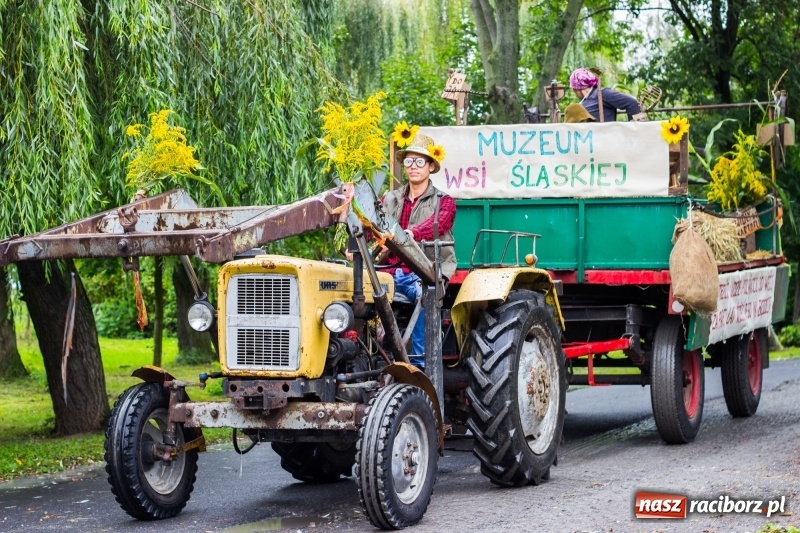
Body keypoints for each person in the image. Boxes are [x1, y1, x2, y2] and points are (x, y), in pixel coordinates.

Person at [382, 133, 456, 370]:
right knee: (361, 295)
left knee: (426, 296)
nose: (413, 166)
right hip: (389, 272)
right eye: (409, 161)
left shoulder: (444, 201)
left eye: (420, 161)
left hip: (424, 272)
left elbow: (438, 225)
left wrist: (410, 234)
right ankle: (376, 354)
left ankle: (421, 366)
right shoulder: (390, 199)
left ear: (431, 166)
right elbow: (377, 227)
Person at [569, 68, 641, 122]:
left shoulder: (602, 93)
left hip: (605, 136)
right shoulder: (584, 101)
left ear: (576, 88)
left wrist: (632, 130)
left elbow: (632, 103)